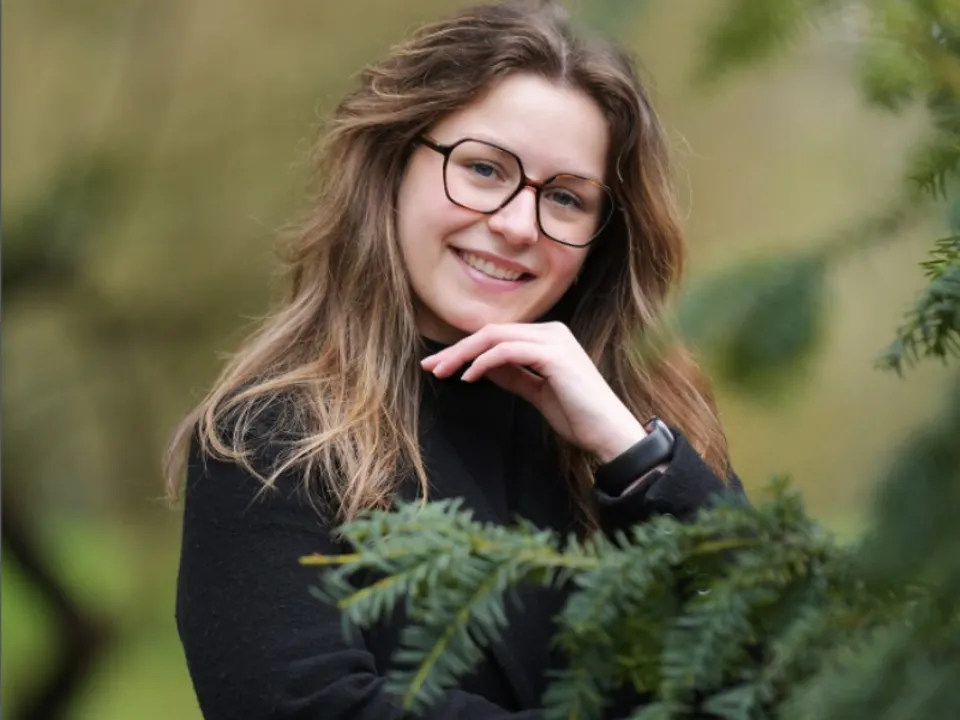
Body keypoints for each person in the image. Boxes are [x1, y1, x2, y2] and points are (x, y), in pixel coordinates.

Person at [165, 0, 746, 717]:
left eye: (566, 198)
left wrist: (637, 460)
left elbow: (788, 666)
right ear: (393, 164)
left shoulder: (649, 434)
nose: (517, 225)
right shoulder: (271, 440)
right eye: (483, 168)